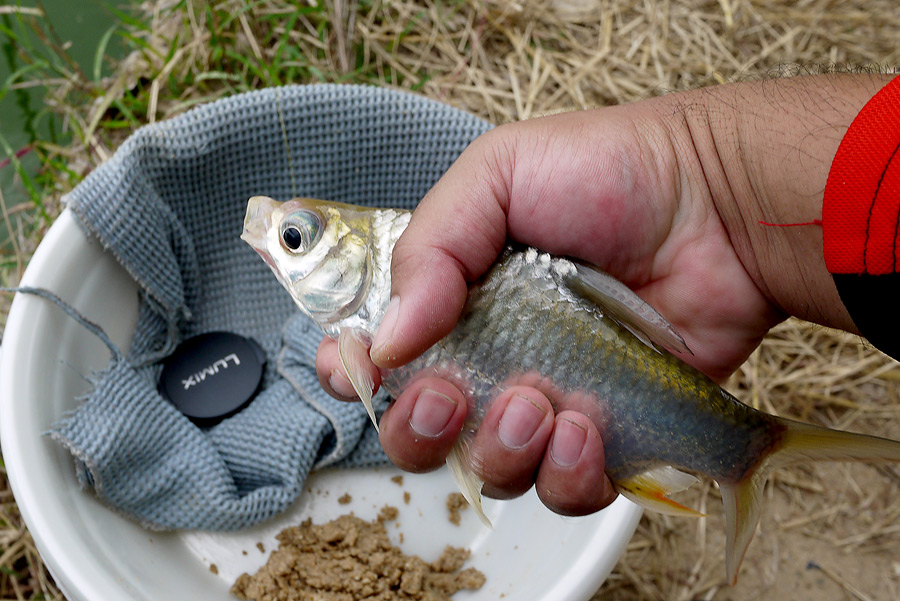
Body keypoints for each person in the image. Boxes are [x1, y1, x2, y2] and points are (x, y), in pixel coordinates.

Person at [315, 72, 896, 516]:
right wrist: (719, 193)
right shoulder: (369, 317)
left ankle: (743, 448)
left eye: (297, 240)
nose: (281, 246)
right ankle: (738, 448)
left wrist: (717, 191)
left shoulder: (385, 291)